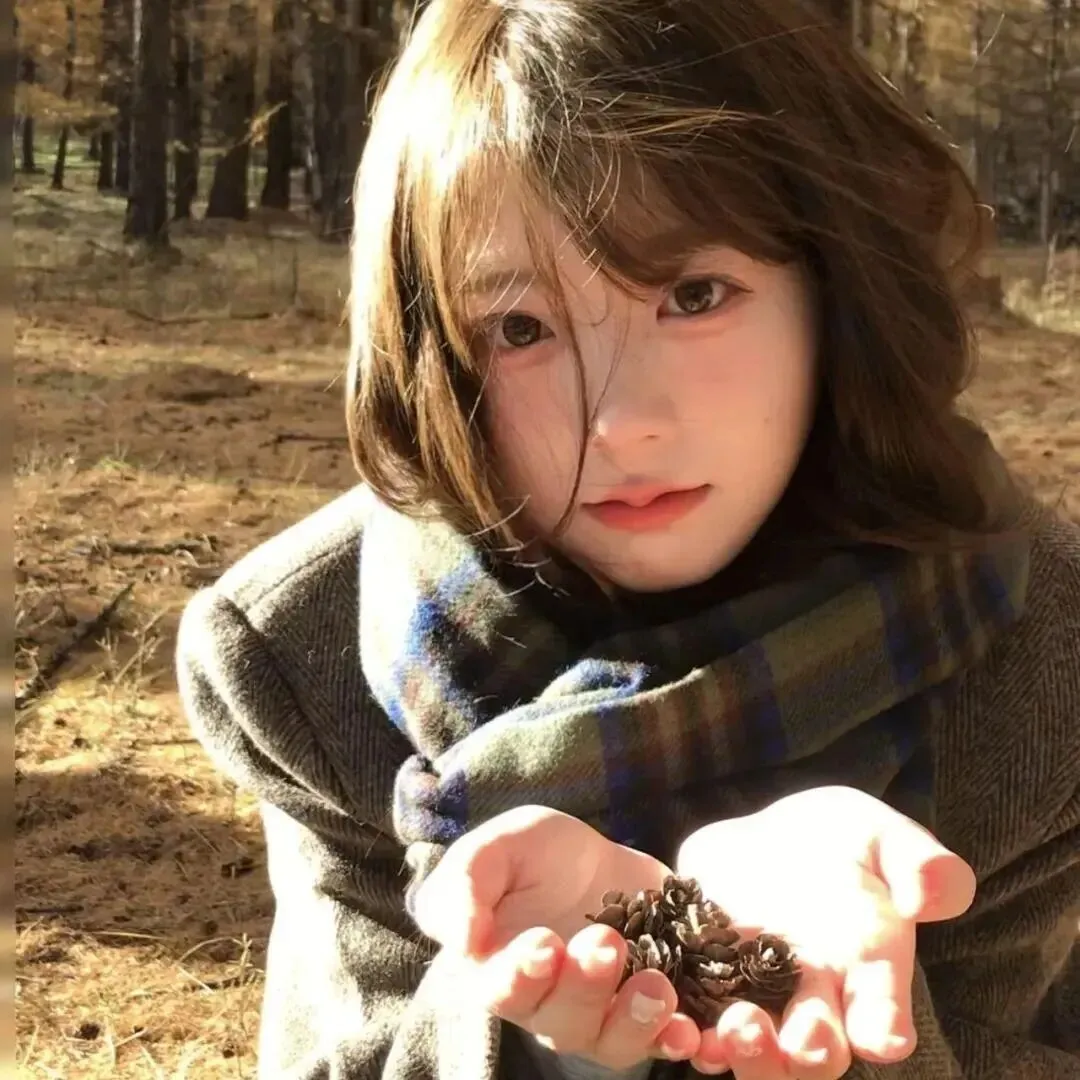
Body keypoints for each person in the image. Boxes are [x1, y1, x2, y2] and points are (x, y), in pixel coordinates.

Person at [175, 0, 1080, 1077]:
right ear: (430, 354)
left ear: (840, 287)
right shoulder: (305, 660)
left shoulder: (1045, 658)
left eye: (695, 295)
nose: (621, 423)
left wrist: (832, 1021)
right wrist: (527, 1016)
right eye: (520, 328)